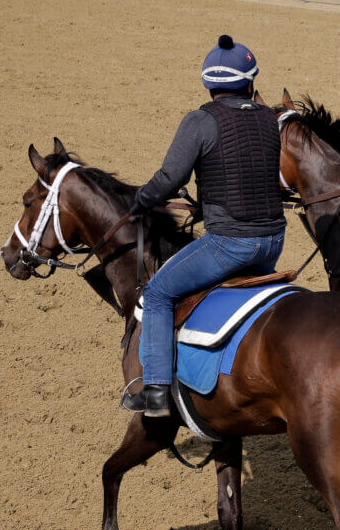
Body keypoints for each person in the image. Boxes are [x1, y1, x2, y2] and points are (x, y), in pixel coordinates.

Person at [121, 35, 285, 417]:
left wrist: (142, 200)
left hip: (230, 244)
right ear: (250, 82)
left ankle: (158, 390)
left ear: (209, 85)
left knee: (159, 290)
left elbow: (168, 177)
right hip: (273, 242)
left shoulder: (199, 121)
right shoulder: (268, 119)